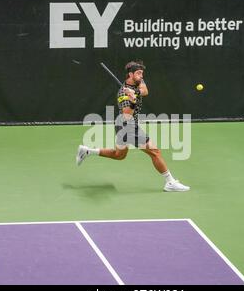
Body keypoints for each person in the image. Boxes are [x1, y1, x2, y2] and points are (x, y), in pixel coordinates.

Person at [76, 61, 190, 192]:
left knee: (119, 155)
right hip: (127, 126)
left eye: (142, 73)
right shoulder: (122, 94)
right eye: (138, 73)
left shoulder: (138, 83)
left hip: (123, 125)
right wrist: (132, 101)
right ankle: (170, 182)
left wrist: (135, 93)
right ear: (130, 74)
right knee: (155, 151)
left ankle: (87, 151)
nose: (141, 76)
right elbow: (127, 114)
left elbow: (145, 91)